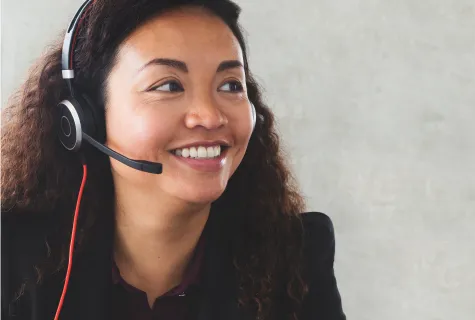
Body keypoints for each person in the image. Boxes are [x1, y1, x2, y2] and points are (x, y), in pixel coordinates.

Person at [1, 0, 346, 319]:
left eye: (230, 85)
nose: (210, 117)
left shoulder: (297, 258)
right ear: (85, 118)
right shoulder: (11, 255)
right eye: (168, 86)